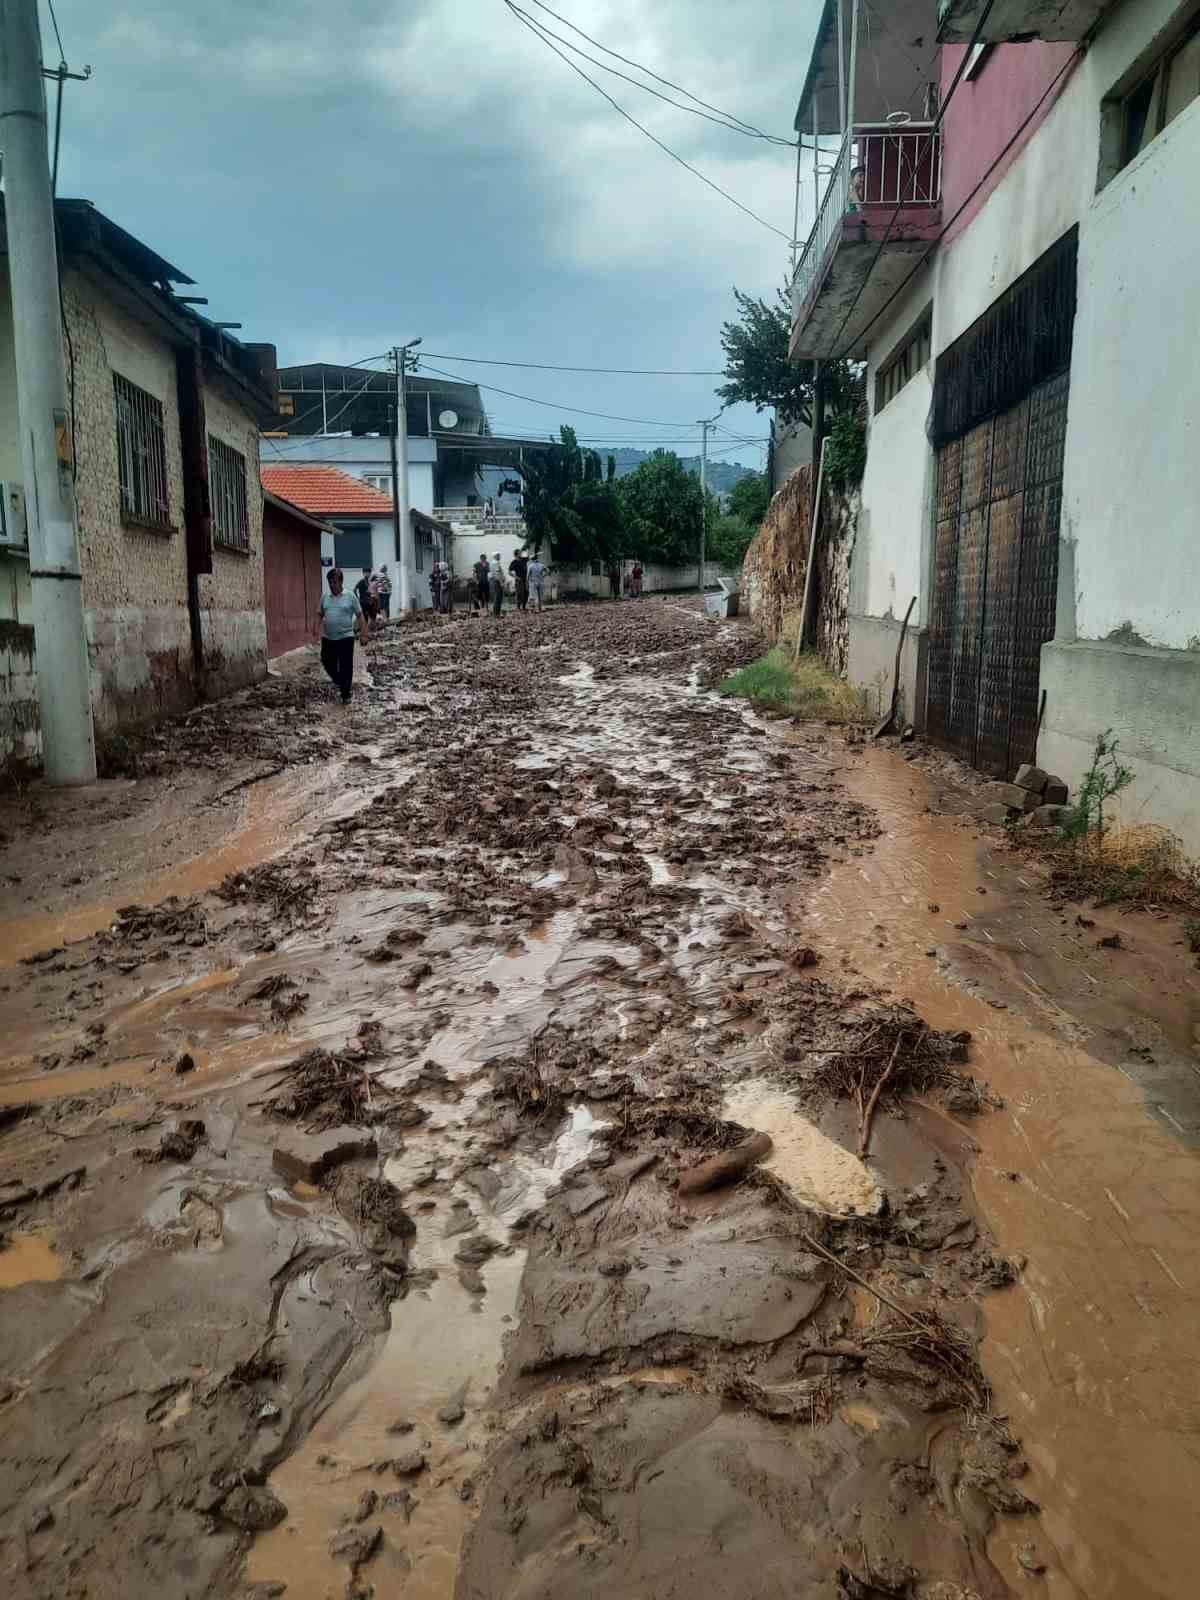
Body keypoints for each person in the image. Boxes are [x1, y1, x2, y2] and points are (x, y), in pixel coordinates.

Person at [315, 567, 368, 704]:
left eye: (334, 582)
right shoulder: (325, 597)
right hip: (328, 638)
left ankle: (346, 694)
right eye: (330, 583)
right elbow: (319, 614)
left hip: (346, 637)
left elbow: (360, 615)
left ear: (340, 582)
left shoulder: (350, 596)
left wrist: (364, 634)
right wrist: (315, 630)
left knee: (346, 665)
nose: (332, 585)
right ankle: (339, 680)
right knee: (326, 660)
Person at [489, 551, 505, 617]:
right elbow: (497, 573)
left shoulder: (493, 562)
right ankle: (496, 614)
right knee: (498, 597)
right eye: (498, 555)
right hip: (497, 581)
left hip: (495, 581)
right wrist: (501, 582)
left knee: (498, 597)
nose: (499, 556)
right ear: (495, 556)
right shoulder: (496, 563)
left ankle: (497, 613)